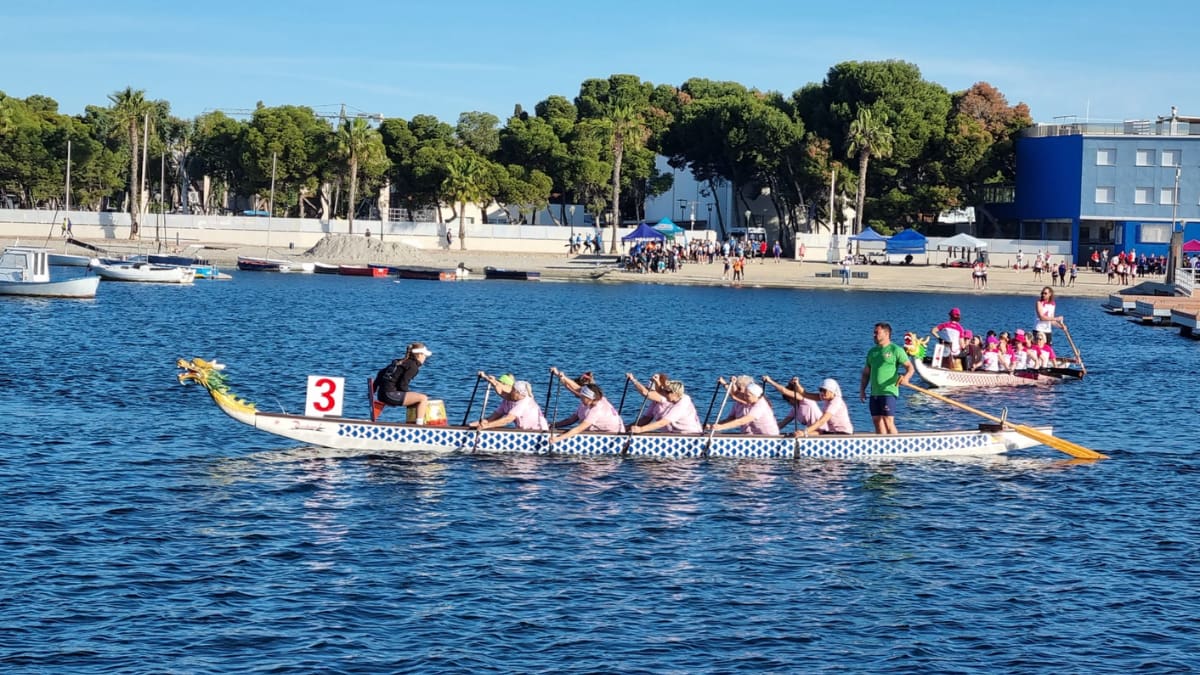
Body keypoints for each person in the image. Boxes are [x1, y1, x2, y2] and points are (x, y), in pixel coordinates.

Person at [859, 322, 913, 434]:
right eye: (874, 333)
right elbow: (866, 373)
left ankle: (897, 447)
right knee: (877, 421)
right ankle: (882, 447)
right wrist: (862, 390)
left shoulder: (896, 350)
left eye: (876, 332)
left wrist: (906, 378)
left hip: (889, 391)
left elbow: (910, 368)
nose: (874, 335)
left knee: (888, 421)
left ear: (886, 333)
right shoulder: (872, 352)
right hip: (875, 392)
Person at [373, 342, 433, 423]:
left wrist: (374, 389)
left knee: (414, 397)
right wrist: (408, 396)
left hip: (381, 395)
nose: (425, 358)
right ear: (419, 355)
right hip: (390, 395)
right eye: (424, 355)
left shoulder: (399, 361)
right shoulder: (413, 366)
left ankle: (412, 422)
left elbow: (381, 373)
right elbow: (402, 385)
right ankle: (419, 426)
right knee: (423, 398)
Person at [549, 383, 624, 443]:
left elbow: (579, 429)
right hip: (600, 432)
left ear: (590, 398)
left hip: (615, 437)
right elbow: (570, 420)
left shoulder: (596, 410)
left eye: (582, 397)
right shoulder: (591, 402)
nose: (580, 398)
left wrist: (558, 439)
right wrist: (553, 425)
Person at [469, 377, 548, 431]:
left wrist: (486, 426)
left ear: (521, 394)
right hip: (523, 430)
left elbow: (507, 420)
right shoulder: (508, 400)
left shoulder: (525, 402)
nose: (510, 392)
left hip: (538, 432)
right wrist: (481, 423)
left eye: (513, 390)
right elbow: (495, 416)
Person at [629, 379, 702, 434]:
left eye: (667, 392)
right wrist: (627, 428)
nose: (664, 394)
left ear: (675, 393)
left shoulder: (683, 402)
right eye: (664, 391)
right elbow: (646, 418)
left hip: (690, 434)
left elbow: (663, 422)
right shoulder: (658, 402)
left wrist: (640, 430)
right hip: (674, 433)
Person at [707, 382, 779, 435]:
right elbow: (731, 419)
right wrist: (713, 425)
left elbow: (742, 421)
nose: (744, 397)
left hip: (769, 437)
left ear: (756, 395)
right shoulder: (748, 403)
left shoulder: (761, 405)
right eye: (744, 395)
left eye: (747, 396)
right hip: (755, 436)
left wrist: (721, 427)